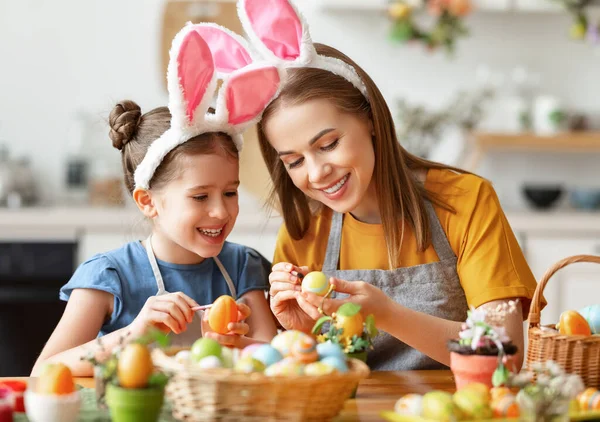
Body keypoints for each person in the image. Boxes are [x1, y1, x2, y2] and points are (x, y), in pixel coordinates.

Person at [234, 0, 540, 370]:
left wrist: (389, 314)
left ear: (372, 120)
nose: (315, 174)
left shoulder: (465, 201)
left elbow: (505, 353)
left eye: (328, 144)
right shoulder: (303, 233)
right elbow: (309, 378)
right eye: (294, 161)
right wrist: (297, 333)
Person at [31, 24, 282, 376]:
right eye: (199, 196)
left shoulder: (244, 267)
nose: (221, 210)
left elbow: (273, 364)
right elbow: (46, 370)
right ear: (148, 202)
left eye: (230, 192)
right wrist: (134, 334)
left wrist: (237, 345)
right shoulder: (109, 276)